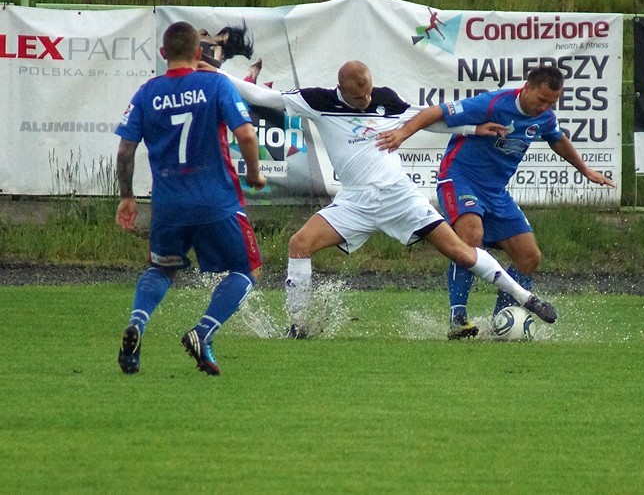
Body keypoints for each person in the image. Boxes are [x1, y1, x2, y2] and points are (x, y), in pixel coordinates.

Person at [201, 59, 557, 340]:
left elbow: (425, 118)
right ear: (340, 89)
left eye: (369, 92)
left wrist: (472, 128)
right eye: (359, 97)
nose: (367, 100)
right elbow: (261, 96)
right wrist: (217, 73)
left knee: (461, 251)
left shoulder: (384, 99)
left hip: (399, 196)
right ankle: (297, 325)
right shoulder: (317, 101)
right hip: (355, 201)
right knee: (299, 244)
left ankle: (528, 300)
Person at [377, 66, 616, 332]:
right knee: (470, 236)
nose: (544, 107)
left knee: (529, 256)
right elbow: (436, 112)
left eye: (551, 103)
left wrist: (584, 170)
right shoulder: (492, 104)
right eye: (541, 100)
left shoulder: (545, 118)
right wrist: (401, 135)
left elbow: (556, 138)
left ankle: (502, 319)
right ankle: (458, 318)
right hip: (459, 179)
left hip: (495, 192)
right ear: (527, 88)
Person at [114, 21, 267, 376]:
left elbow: (125, 150)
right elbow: (245, 133)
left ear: (163, 53)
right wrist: (255, 173)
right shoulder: (215, 83)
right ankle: (203, 331)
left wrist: (126, 197)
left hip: (168, 205)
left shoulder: (146, 92)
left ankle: (137, 323)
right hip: (217, 201)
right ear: (199, 53)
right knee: (246, 269)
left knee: (161, 268)